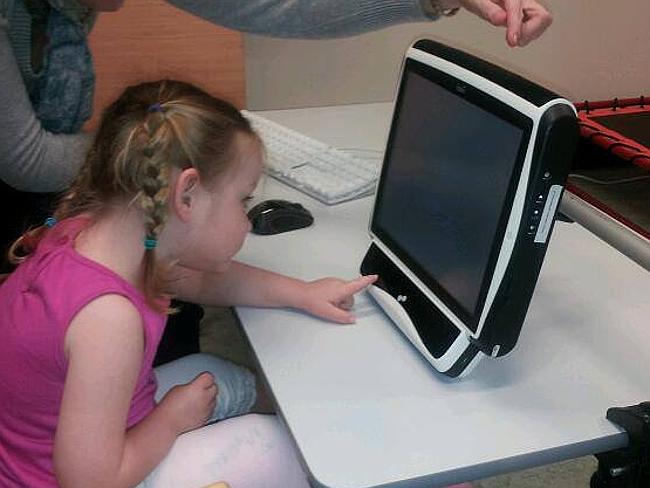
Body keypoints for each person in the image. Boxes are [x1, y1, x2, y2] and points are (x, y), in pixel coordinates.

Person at [0, 78, 380, 487]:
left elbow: (200, 281)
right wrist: (169, 422)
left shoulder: (102, 237)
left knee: (219, 375)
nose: (246, 219)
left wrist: (302, 293)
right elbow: (89, 482)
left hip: (71, 437)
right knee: (281, 452)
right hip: (67, 478)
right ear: (187, 195)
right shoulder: (107, 320)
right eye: (243, 200)